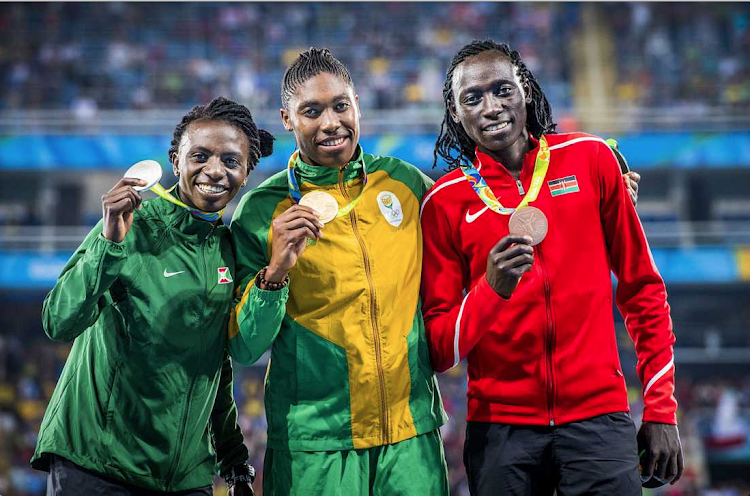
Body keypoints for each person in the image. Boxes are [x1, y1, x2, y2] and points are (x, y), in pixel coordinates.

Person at [420, 40, 682, 495]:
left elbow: (643, 289)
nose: (492, 107)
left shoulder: (591, 159)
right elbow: (440, 350)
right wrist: (490, 290)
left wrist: (660, 408)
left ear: (528, 91)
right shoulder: (444, 203)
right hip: (500, 431)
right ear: (455, 113)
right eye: (472, 98)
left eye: (503, 89)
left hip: (600, 420)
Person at [226, 48, 449, 495]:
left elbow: (478, 231)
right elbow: (244, 346)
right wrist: (276, 272)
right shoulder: (261, 212)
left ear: (357, 105)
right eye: (312, 111)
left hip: (411, 439)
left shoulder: (405, 185)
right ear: (287, 119)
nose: (330, 122)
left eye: (340, 106)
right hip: (314, 448)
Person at [31, 97, 273, 495]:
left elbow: (213, 364)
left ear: (246, 173)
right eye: (200, 155)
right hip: (97, 466)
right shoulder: (131, 225)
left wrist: (233, 460)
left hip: (183, 479)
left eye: (231, 161)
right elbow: (59, 321)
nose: (215, 170)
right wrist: (108, 243)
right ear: (176, 161)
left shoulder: (230, 250)